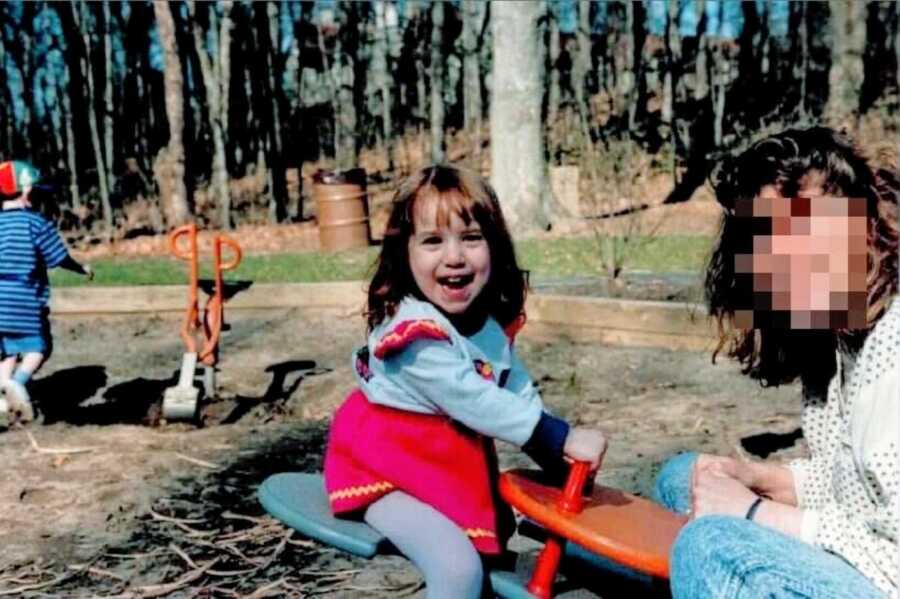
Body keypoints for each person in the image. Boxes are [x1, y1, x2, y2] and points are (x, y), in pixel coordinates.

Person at [323, 165, 608, 598]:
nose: (454, 256)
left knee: (496, 543)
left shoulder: (486, 326)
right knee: (458, 569)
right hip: (386, 468)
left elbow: (515, 392)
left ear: (494, 247)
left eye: (471, 238)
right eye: (433, 241)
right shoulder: (414, 336)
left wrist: (557, 460)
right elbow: (476, 400)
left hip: (445, 465)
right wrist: (558, 435)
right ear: (405, 254)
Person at [653, 127, 897, 598]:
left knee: (712, 544)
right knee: (683, 478)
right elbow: (862, 484)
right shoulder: (843, 335)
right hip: (864, 555)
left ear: (865, 225)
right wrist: (766, 480)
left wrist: (754, 514)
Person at [0, 160, 94, 425]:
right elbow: (58, 257)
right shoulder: (35, 223)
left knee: (6, 350)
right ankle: (18, 384)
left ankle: (2, 402)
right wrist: (81, 268)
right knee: (39, 347)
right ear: (28, 192)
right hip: (24, 296)